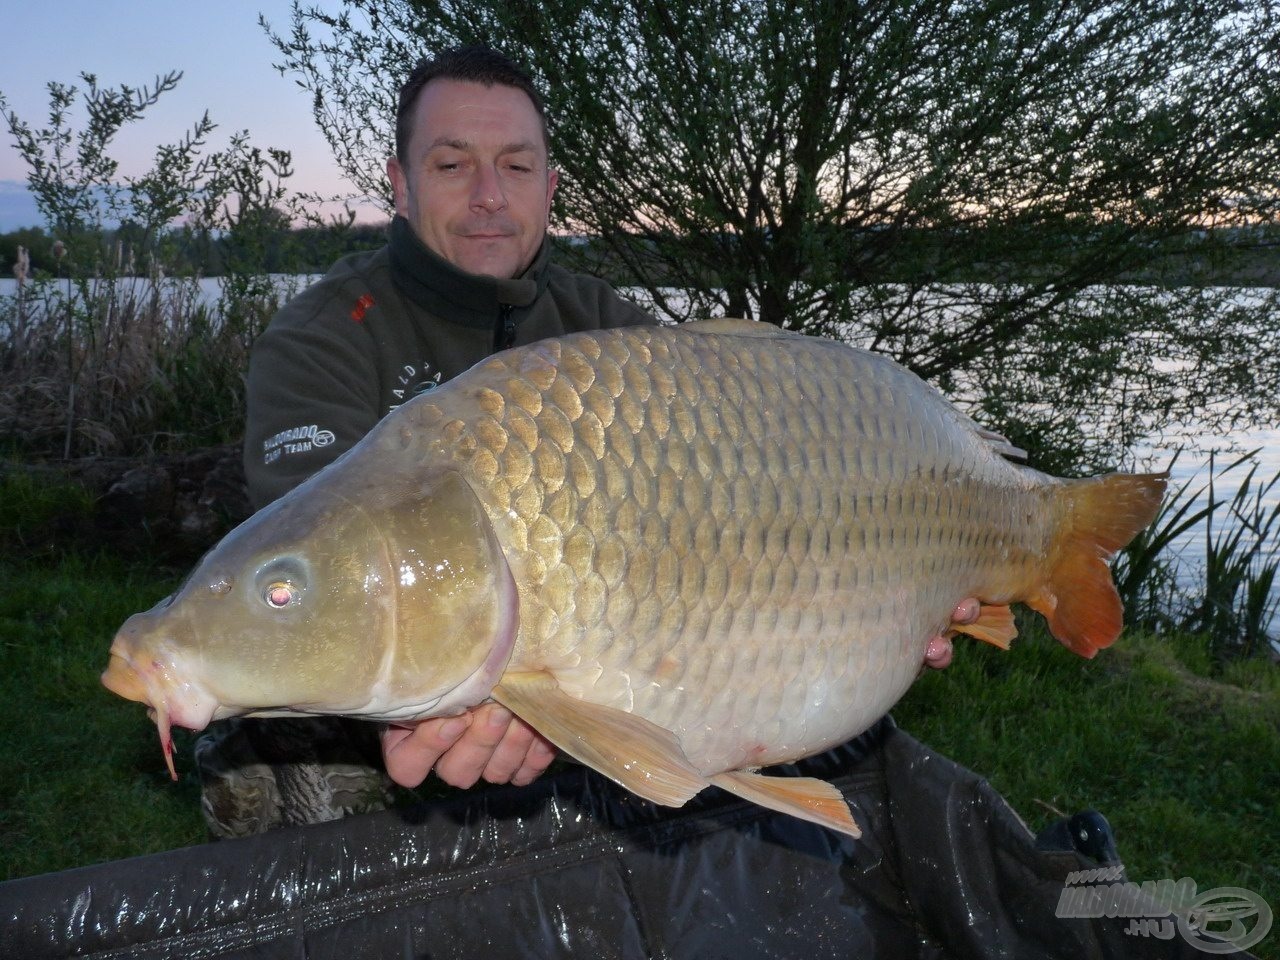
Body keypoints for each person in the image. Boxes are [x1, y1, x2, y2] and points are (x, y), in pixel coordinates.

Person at [196, 46, 973, 836]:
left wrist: (899, 575)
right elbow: (327, 558)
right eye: (453, 164)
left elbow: (741, 498)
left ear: (550, 188)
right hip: (386, 677)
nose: (490, 197)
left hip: (578, 656)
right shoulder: (324, 335)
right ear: (400, 185)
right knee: (292, 762)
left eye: (516, 167)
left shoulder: (609, 330)